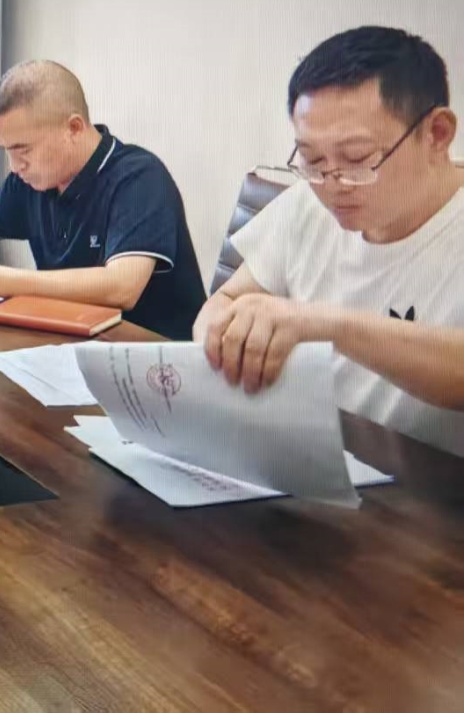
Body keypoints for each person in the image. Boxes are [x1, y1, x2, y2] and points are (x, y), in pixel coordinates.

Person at [197, 26, 464, 455]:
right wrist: (217, 335)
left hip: (423, 487)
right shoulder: (305, 205)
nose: (332, 183)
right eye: (312, 160)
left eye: (357, 158)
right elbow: (226, 300)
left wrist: (325, 324)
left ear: (437, 133)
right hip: (303, 456)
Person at [0, 60, 205, 337]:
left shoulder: (138, 178)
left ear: (73, 128)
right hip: (70, 345)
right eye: (6, 150)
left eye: (23, 149)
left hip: (151, 363)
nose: (14, 165)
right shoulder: (32, 179)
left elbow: (121, 287)